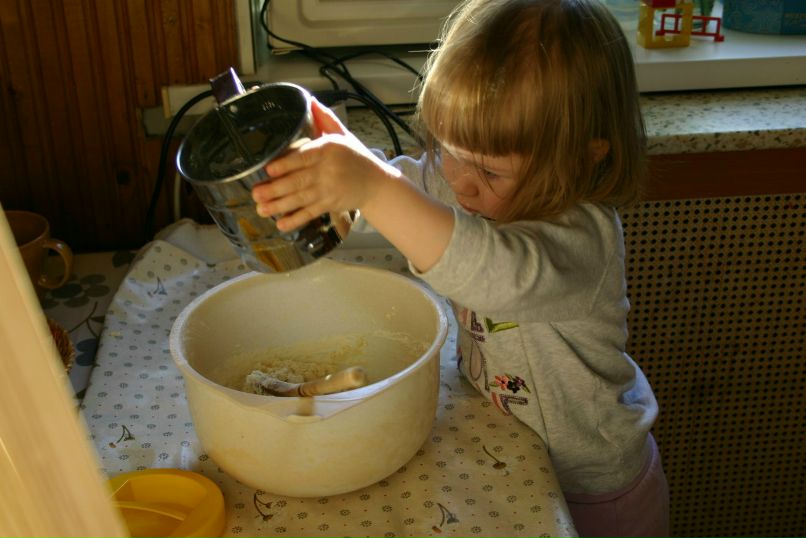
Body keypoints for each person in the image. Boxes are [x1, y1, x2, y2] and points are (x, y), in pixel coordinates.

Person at [251, 0, 669, 536]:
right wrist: (344, 165)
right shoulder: (461, 177)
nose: (462, 183)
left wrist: (370, 187)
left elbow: (488, 269)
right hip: (509, 452)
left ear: (585, 155)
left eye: (492, 171)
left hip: (596, 489)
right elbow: (408, 191)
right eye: (449, 150)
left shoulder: (582, 240)